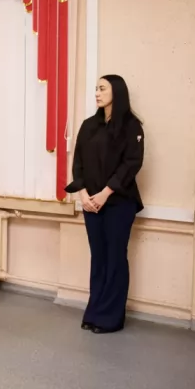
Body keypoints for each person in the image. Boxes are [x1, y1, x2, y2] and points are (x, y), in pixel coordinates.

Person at [65, 74, 144, 335]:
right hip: (90, 203)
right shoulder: (89, 125)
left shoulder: (132, 126)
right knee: (98, 257)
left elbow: (131, 164)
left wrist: (105, 193)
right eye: (96, 89)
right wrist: (83, 194)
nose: (97, 93)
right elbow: (78, 163)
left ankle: (111, 319)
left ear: (116, 92)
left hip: (119, 203)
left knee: (115, 258)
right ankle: (94, 313)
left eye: (102, 89)